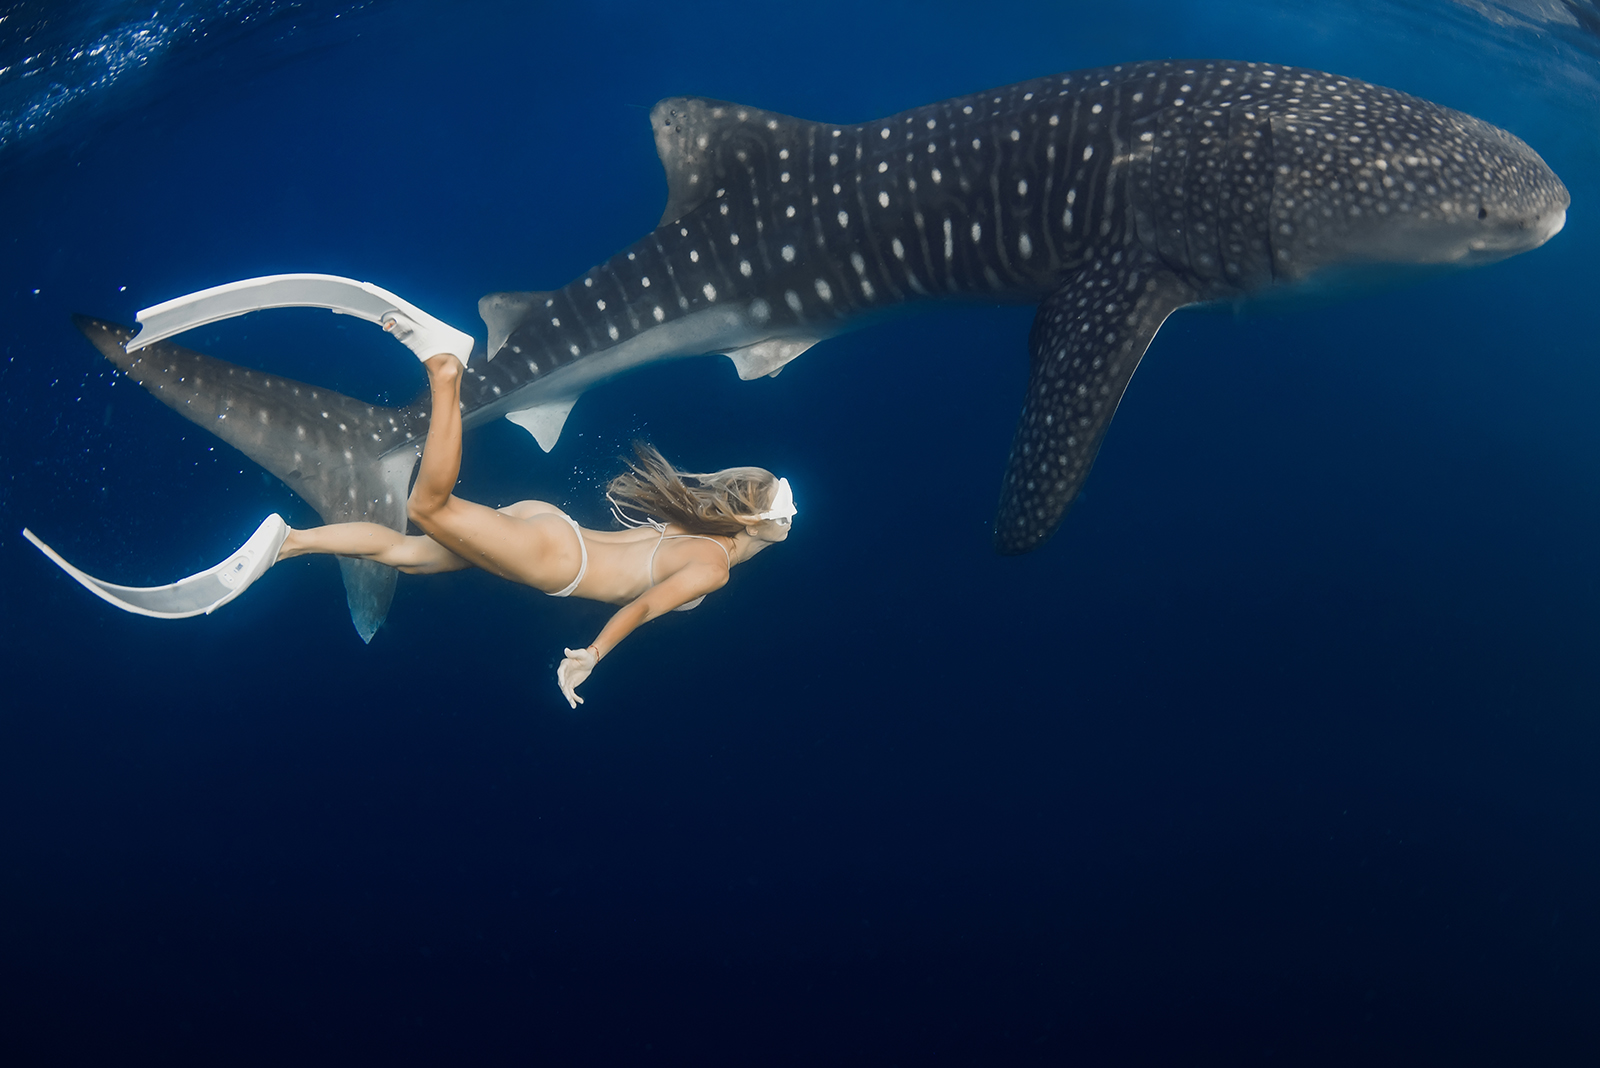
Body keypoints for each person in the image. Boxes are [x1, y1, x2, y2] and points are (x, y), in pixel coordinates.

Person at [276, 352, 796, 707]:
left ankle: (291, 543)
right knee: (428, 508)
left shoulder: (701, 526)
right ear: (754, 522)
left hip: (549, 524)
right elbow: (642, 607)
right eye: (783, 511)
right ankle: (446, 377)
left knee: (410, 554)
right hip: (559, 561)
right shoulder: (713, 566)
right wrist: (592, 655)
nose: (792, 517)